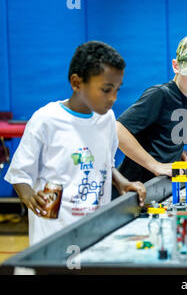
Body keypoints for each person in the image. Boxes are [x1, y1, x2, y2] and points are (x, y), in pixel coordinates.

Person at [4, 41, 146, 245]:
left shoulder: (106, 119)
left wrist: (121, 182)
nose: (114, 98)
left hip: (95, 232)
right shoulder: (46, 119)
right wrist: (28, 197)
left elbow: (105, 163)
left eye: (117, 89)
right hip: (54, 235)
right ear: (77, 83)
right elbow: (19, 173)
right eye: (106, 89)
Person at [116, 35, 187, 184]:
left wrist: (176, 154)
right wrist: (155, 165)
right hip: (134, 188)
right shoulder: (160, 94)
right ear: (176, 66)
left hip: (160, 188)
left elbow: (161, 135)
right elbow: (117, 129)